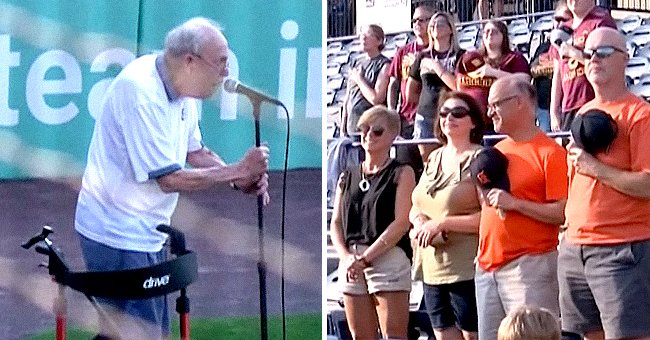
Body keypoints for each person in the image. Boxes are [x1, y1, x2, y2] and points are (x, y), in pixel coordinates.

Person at [74, 17, 269, 339]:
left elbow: (194, 150)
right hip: (117, 231)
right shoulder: (140, 91)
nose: (225, 74)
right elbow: (168, 179)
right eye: (220, 63)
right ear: (190, 62)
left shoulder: (183, 90)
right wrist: (236, 170)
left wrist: (237, 179)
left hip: (145, 229)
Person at [559, 27, 650, 340]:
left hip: (620, 248)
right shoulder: (584, 111)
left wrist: (595, 168)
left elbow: (647, 185)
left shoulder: (640, 114)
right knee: (586, 334)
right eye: (588, 53)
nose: (593, 58)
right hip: (575, 246)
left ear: (624, 60)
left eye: (604, 52)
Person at [475, 75, 568, 340]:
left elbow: (562, 213)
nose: (490, 112)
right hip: (487, 265)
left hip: (530, 266)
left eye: (495, 105)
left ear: (518, 103)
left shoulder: (550, 153)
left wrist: (515, 204)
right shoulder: (496, 151)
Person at [330, 106, 416, 339]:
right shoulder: (347, 175)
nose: (368, 135)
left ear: (392, 136)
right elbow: (336, 222)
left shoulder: (402, 172)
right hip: (351, 259)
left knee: (394, 335)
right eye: (364, 129)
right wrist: (347, 257)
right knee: (360, 335)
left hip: (386, 255)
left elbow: (401, 222)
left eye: (377, 131)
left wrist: (366, 258)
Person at [410, 91, 484, 340]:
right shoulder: (433, 157)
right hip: (432, 267)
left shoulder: (481, 158)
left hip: (467, 268)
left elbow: (490, 217)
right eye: (444, 113)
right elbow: (417, 203)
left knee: (472, 335)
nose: (449, 117)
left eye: (458, 113)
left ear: (473, 121)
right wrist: (419, 221)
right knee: (442, 335)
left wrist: (441, 223)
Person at [549, 0, 616, 131]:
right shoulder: (562, 29)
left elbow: (607, 63)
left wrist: (573, 53)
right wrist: (553, 111)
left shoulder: (601, 22)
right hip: (569, 106)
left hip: (595, 101)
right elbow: (558, 73)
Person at [406, 12, 464, 162]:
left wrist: (437, 68)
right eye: (432, 25)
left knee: (452, 158)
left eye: (440, 24)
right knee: (429, 162)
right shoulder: (422, 56)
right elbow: (410, 92)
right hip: (426, 115)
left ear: (451, 29)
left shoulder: (461, 56)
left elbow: (459, 86)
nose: (435, 27)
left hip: (452, 114)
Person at [456, 20, 530, 132]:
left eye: (494, 32)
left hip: (500, 119)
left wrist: (494, 73)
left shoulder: (514, 58)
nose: (489, 34)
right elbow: (458, 83)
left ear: (503, 36)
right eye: (486, 31)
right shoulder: (470, 58)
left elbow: (525, 80)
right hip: (472, 119)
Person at [387, 5, 434, 138]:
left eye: (422, 20)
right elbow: (393, 83)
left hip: (431, 117)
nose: (417, 23)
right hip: (407, 118)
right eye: (414, 21)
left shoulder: (438, 50)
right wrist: (391, 109)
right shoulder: (403, 51)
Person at [530, 2, 572, 132]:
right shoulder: (543, 47)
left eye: (563, 19)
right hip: (542, 106)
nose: (559, 24)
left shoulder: (576, 44)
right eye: (556, 19)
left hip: (566, 106)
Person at [342, 24, 390, 137]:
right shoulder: (356, 64)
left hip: (370, 129)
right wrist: (342, 127)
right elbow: (348, 98)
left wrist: (359, 80)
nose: (363, 38)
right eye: (362, 35)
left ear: (379, 41)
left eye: (368, 35)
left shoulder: (384, 64)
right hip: (352, 127)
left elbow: (377, 99)